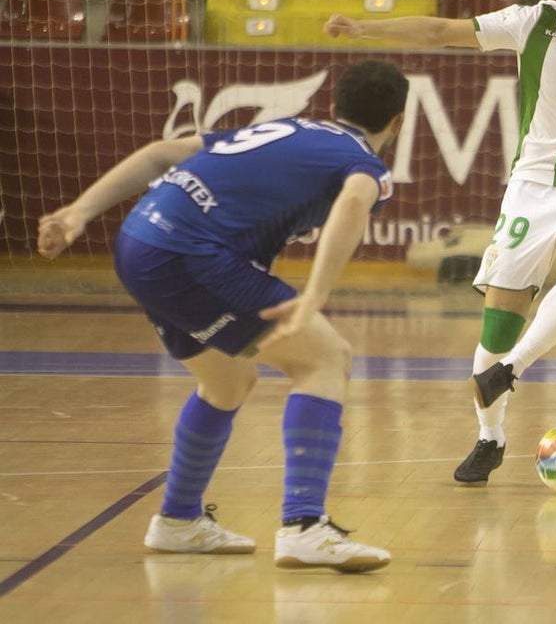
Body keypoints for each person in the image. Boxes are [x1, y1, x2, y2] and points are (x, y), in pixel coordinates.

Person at [37, 60, 409, 572]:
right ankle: (305, 527)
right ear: (399, 122)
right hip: (192, 254)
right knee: (326, 358)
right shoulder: (365, 162)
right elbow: (353, 203)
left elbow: (161, 154)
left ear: (333, 106)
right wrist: (315, 295)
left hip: (139, 241)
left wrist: (79, 211)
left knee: (228, 380)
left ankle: (178, 520)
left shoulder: (281, 126)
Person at [326, 0, 556, 485]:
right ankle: (490, 438)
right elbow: (438, 30)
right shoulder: (535, 23)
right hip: (533, 186)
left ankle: (512, 370)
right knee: (498, 324)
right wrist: (364, 27)